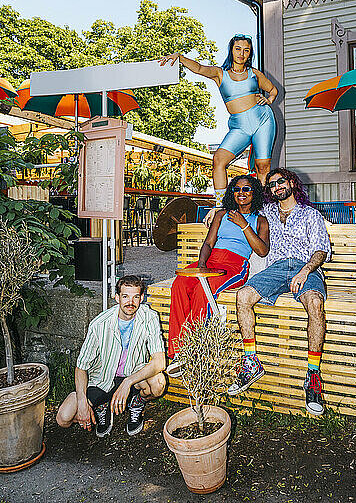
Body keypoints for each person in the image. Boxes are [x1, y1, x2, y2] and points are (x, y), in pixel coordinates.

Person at [227, 168, 331, 417]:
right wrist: (212, 211)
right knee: (243, 296)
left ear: (292, 183)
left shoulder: (310, 215)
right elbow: (241, 206)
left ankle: (313, 375)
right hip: (276, 269)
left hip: (304, 268)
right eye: (272, 184)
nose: (276, 187)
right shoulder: (267, 213)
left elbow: (320, 251)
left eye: (280, 182)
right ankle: (251, 362)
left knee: (315, 303)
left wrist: (305, 271)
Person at [166, 175, 269, 377]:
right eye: (237, 189)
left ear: (254, 192)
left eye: (246, 189)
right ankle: (178, 350)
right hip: (211, 260)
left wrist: (244, 225)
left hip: (234, 265)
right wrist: (202, 265)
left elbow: (262, 251)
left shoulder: (260, 221)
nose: (241, 193)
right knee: (180, 283)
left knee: (203, 289)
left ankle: (192, 349)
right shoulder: (222, 215)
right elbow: (208, 243)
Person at [159, 34, 278, 208]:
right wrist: (180, 57)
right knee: (219, 160)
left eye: (246, 50)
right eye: (238, 49)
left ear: (250, 53)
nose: (242, 53)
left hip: (263, 120)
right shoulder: (220, 73)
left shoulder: (254, 74)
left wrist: (269, 100)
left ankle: (264, 206)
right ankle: (221, 205)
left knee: (263, 165)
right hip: (239, 126)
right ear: (231, 50)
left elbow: (273, 90)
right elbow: (199, 68)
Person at [56, 275, 166, 437]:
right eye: (125, 296)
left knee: (158, 384)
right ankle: (100, 406)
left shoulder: (149, 318)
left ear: (141, 298)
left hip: (133, 373)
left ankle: (136, 403)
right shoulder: (99, 324)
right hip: (102, 378)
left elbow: (159, 362)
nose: (131, 302)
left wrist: (127, 382)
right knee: (63, 418)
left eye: (136, 296)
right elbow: (81, 367)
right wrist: (82, 403)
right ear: (117, 298)